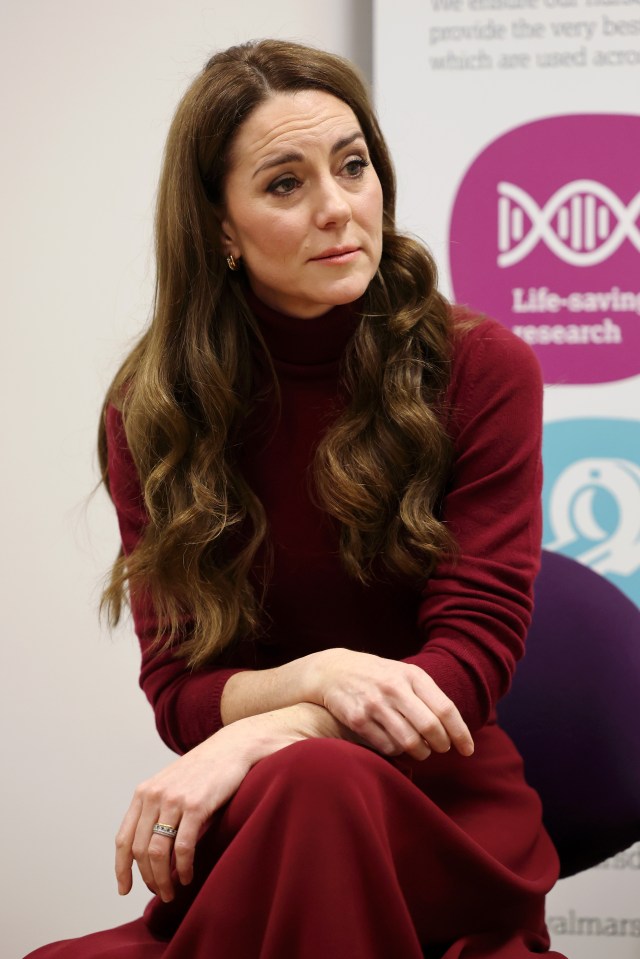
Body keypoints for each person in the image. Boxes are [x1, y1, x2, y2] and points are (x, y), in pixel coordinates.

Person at [26, 38, 568, 959]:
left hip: (445, 821)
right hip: (271, 827)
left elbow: (470, 665)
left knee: (314, 778)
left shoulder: (482, 370)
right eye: (285, 184)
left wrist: (267, 731)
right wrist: (313, 684)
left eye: (353, 166)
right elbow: (180, 692)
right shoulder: (154, 409)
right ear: (219, 229)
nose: (339, 208)